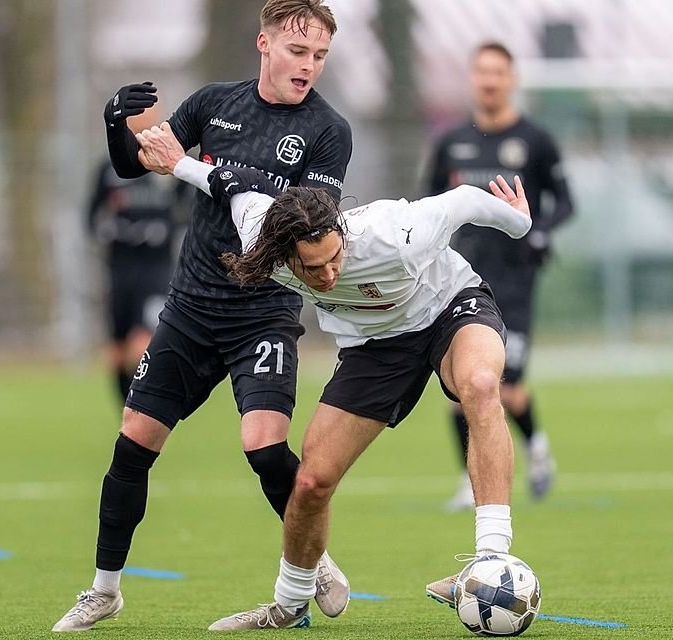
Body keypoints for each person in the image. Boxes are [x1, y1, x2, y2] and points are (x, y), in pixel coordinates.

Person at [133, 121, 532, 629]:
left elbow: (466, 200)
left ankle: (490, 558)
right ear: (280, 254)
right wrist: (176, 163)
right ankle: (289, 605)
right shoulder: (261, 233)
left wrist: (519, 222)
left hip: (447, 306)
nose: (328, 275)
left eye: (334, 257)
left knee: (478, 385)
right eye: (312, 269)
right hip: (373, 345)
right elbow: (229, 185)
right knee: (312, 482)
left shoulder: (396, 232)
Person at [51, 0, 353, 632]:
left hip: (263, 310)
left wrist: (202, 169)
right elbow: (137, 164)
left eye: (320, 56)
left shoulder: (329, 130)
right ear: (264, 44)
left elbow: (299, 211)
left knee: (264, 447)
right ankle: (105, 590)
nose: (309, 67)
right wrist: (117, 124)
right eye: (299, 52)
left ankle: (314, 559)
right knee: (133, 444)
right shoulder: (214, 102)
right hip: (190, 307)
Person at [422, 42, 575, 512]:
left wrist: (540, 232)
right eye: (482, 72)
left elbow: (566, 202)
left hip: (514, 282)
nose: (489, 81)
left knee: (507, 389)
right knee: (461, 389)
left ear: (511, 80)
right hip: (460, 281)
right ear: (472, 78)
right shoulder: (450, 143)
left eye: (498, 73)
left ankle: (537, 449)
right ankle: (471, 483)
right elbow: (428, 205)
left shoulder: (535, 140)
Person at [85, 109, 187, 402]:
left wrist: (163, 230)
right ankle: (126, 407)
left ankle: (144, 404)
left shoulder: (167, 167)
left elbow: (187, 211)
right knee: (117, 348)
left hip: (155, 268)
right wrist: (109, 231)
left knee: (143, 341)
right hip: (119, 267)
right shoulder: (109, 169)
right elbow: (92, 216)